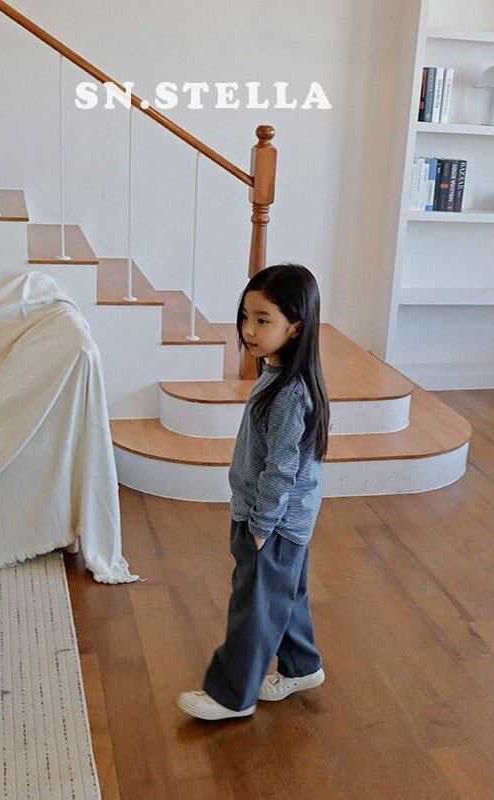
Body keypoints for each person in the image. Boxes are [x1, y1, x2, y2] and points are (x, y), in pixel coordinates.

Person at [177, 264, 330, 721]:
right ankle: (302, 666)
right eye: (246, 316)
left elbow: (282, 468)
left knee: (254, 608)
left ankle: (232, 695)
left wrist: (261, 525)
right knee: (285, 594)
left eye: (263, 320)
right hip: (281, 517)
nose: (249, 329)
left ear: (295, 326)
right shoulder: (276, 375)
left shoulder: (288, 394)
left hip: (272, 520)